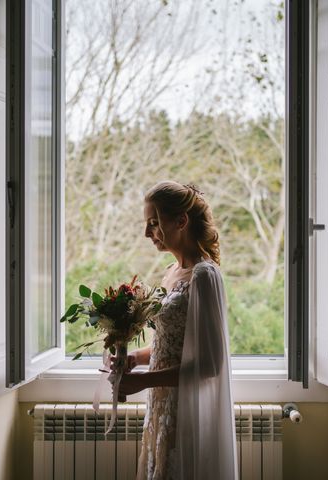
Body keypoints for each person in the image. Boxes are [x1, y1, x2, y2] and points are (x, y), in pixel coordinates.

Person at [111, 180, 238, 480]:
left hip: (187, 406)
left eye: (154, 223)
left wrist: (145, 381)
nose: (147, 233)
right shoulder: (171, 272)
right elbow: (169, 344)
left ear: (181, 220)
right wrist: (136, 359)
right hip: (162, 403)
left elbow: (209, 364)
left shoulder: (204, 276)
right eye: (147, 224)